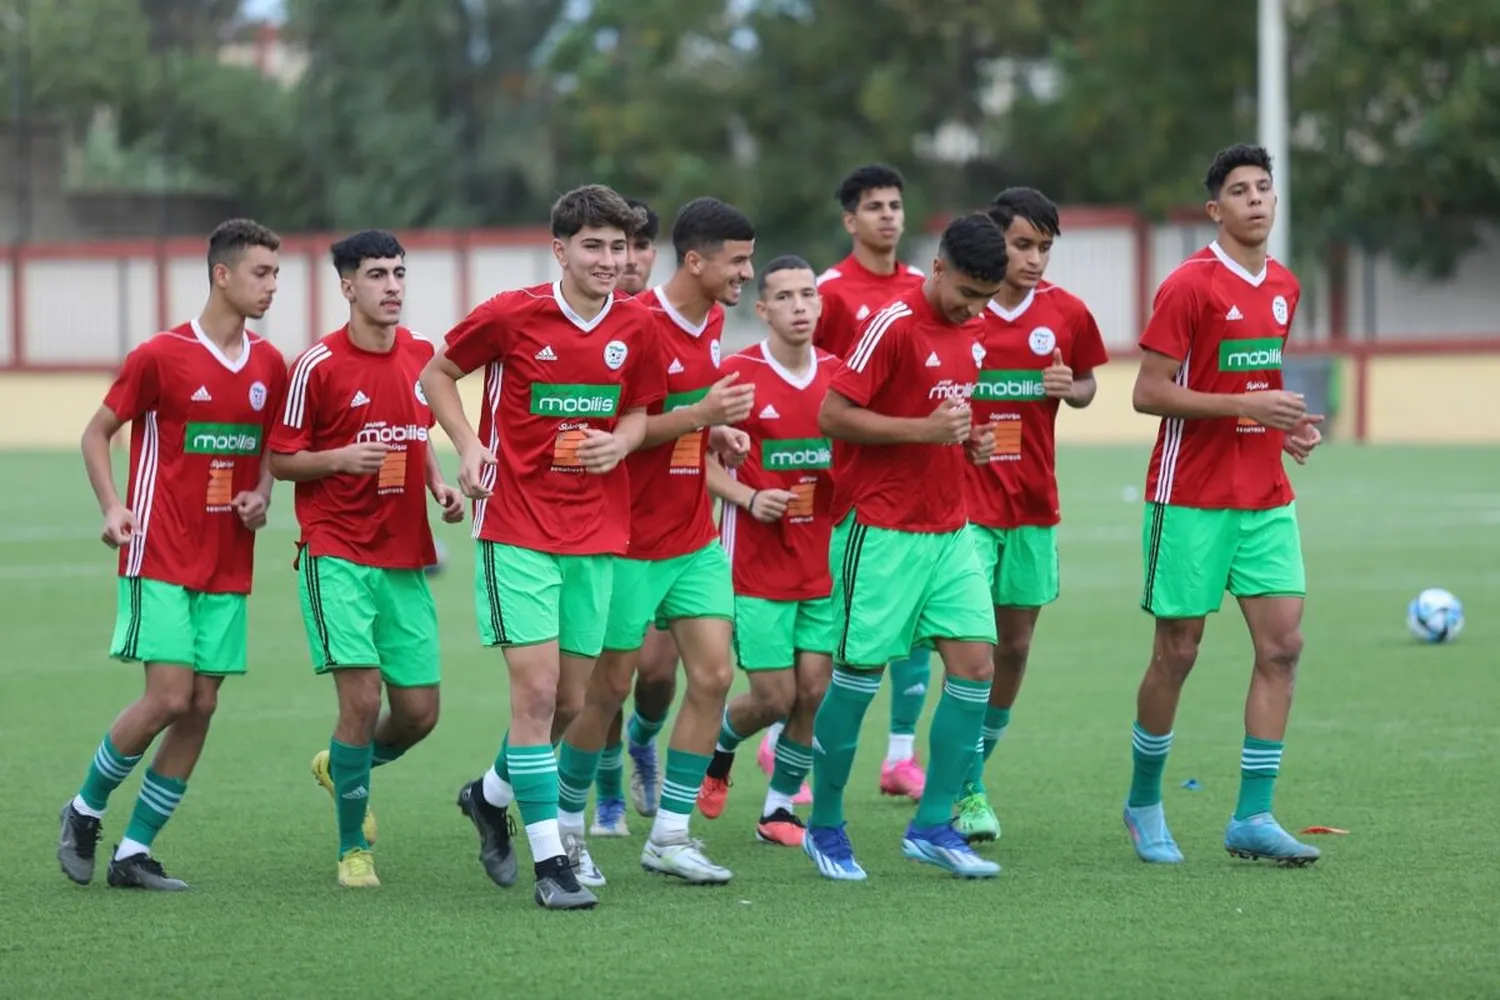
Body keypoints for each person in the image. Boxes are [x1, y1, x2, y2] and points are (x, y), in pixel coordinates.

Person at [421, 185, 663, 910]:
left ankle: (489, 795)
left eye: (619, 246)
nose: (609, 259)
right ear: (560, 250)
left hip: (597, 534)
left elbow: (639, 412)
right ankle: (552, 864)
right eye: (593, 246)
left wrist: (620, 442)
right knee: (534, 695)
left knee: (571, 702)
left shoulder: (637, 325)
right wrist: (468, 446)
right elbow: (435, 373)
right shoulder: (511, 313)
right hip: (517, 528)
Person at [58, 219, 287, 891]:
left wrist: (262, 494)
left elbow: (270, 447)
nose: (272, 286)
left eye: (276, 274)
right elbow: (96, 433)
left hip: (227, 561)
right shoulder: (161, 355)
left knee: (201, 705)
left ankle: (134, 852)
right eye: (261, 273)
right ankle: (84, 809)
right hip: (158, 552)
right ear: (222, 274)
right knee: (168, 696)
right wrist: (112, 505)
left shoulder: (270, 365)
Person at [1125, 143, 1323, 867]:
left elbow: (1255, 385)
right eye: (1240, 190)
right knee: (1177, 652)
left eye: (1264, 187)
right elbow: (1148, 392)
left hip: (1265, 495)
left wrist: (1283, 427)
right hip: (1190, 498)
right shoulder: (1189, 286)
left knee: (1283, 647)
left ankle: (1252, 817)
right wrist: (1246, 406)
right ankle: (1144, 803)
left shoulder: (1285, 285)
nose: (1256, 199)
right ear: (1216, 209)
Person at [552, 196, 757, 886]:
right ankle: (567, 830)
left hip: (692, 536)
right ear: (695, 262)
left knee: (715, 677)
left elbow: (680, 415)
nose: (746, 274)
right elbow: (620, 432)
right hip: (628, 541)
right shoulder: (635, 325)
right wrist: (699, 415)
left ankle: (669, 836)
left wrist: (714, 431)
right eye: (738, 262)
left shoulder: (713, 321)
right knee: (605, 691)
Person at [803, 213, 1007, 882]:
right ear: (938, 268)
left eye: (986, 297)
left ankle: (933, 824)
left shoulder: (974, 329)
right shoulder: (891, 325)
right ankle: (824, 827)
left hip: (949, 528)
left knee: (975, 667)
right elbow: (833, 415)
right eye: (967, 293)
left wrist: (968, 440)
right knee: (858, 678)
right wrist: (924, 431)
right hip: (880, 530)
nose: (974, 309)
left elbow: (947, 416)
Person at [268, 230, 465, 889]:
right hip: (337, 553)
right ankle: (354, 849)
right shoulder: (317, 365)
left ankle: (342, 767)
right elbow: (281, 459)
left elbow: (416, 434)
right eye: (378, 274)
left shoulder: (422, 355)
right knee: (361, 697)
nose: (392, 286)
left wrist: (437, 484)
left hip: (404, 557)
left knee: (419, 714)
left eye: (399, 273)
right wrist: (339, 459)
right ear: (348, 287)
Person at [952, 187, 1110, 843]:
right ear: (995, 241)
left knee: (1015, 648)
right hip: (966, 506)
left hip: (1033, 504)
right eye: (1023, 245)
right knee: (972, 652)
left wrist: (1073, 388)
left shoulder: (1067, 313)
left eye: (1044, 247)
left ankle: (970, 769)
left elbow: (1089, 384)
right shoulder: (964, 311)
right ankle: (966, 788)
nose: (1035, 259)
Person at [798, 162, 932, 802]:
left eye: (895, 205)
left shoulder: (923, 287)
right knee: (841, 623)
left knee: (918, 620)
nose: (888, 216)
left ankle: (901, 755)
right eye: (875, 206)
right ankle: (790, 737)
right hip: (847, 481)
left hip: (915, 479)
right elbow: (809, 375)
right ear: (850, 220)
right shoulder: (829, 291)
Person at [694, 254, 836, 846]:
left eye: (808, 294)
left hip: (823, 565)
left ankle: (779, 810)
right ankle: (721, 749)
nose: (799, 306)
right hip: (755, 566)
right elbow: (695, 461)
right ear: (763, 309)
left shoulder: (840, 376)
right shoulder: (737, 375)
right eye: (784, 297)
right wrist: (749, 498)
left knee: (813, 693)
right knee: (775, 698)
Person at [591, 196, 682, 836]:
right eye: (614, 246)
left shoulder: (677, 322)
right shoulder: (581, 328)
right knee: (606, 678)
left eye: (640, 246)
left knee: (656, 674)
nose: (628, 259)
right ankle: (607, 797)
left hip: (668, 527)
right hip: (599, 528)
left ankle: (645, 742)